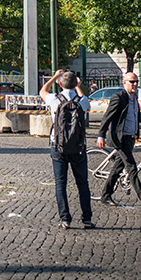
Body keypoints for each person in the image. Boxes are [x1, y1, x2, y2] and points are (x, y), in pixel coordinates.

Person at [40, 69, 93, 229]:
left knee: (60, 183)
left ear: (61, 84)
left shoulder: (54, 99)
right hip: (78, 147)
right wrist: (78, 86)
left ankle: (65, 219)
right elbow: (86, 100)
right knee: (82, 184)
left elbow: (43, 91)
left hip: (58, 146)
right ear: (76, 83)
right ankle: (87, 219)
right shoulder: (82, 101)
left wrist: (55, 76)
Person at [97, 72, 141, 209]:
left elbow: (135, 117)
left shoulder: (135, 99)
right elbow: (107, 117)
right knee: (131, 167)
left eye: (136, 81)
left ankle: (105, 195)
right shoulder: (119, 98)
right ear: (124, 83)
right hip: (120, 138)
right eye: (131, 81)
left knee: (118, 168)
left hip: (130, 138)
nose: (134, 84)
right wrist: (101, 135)